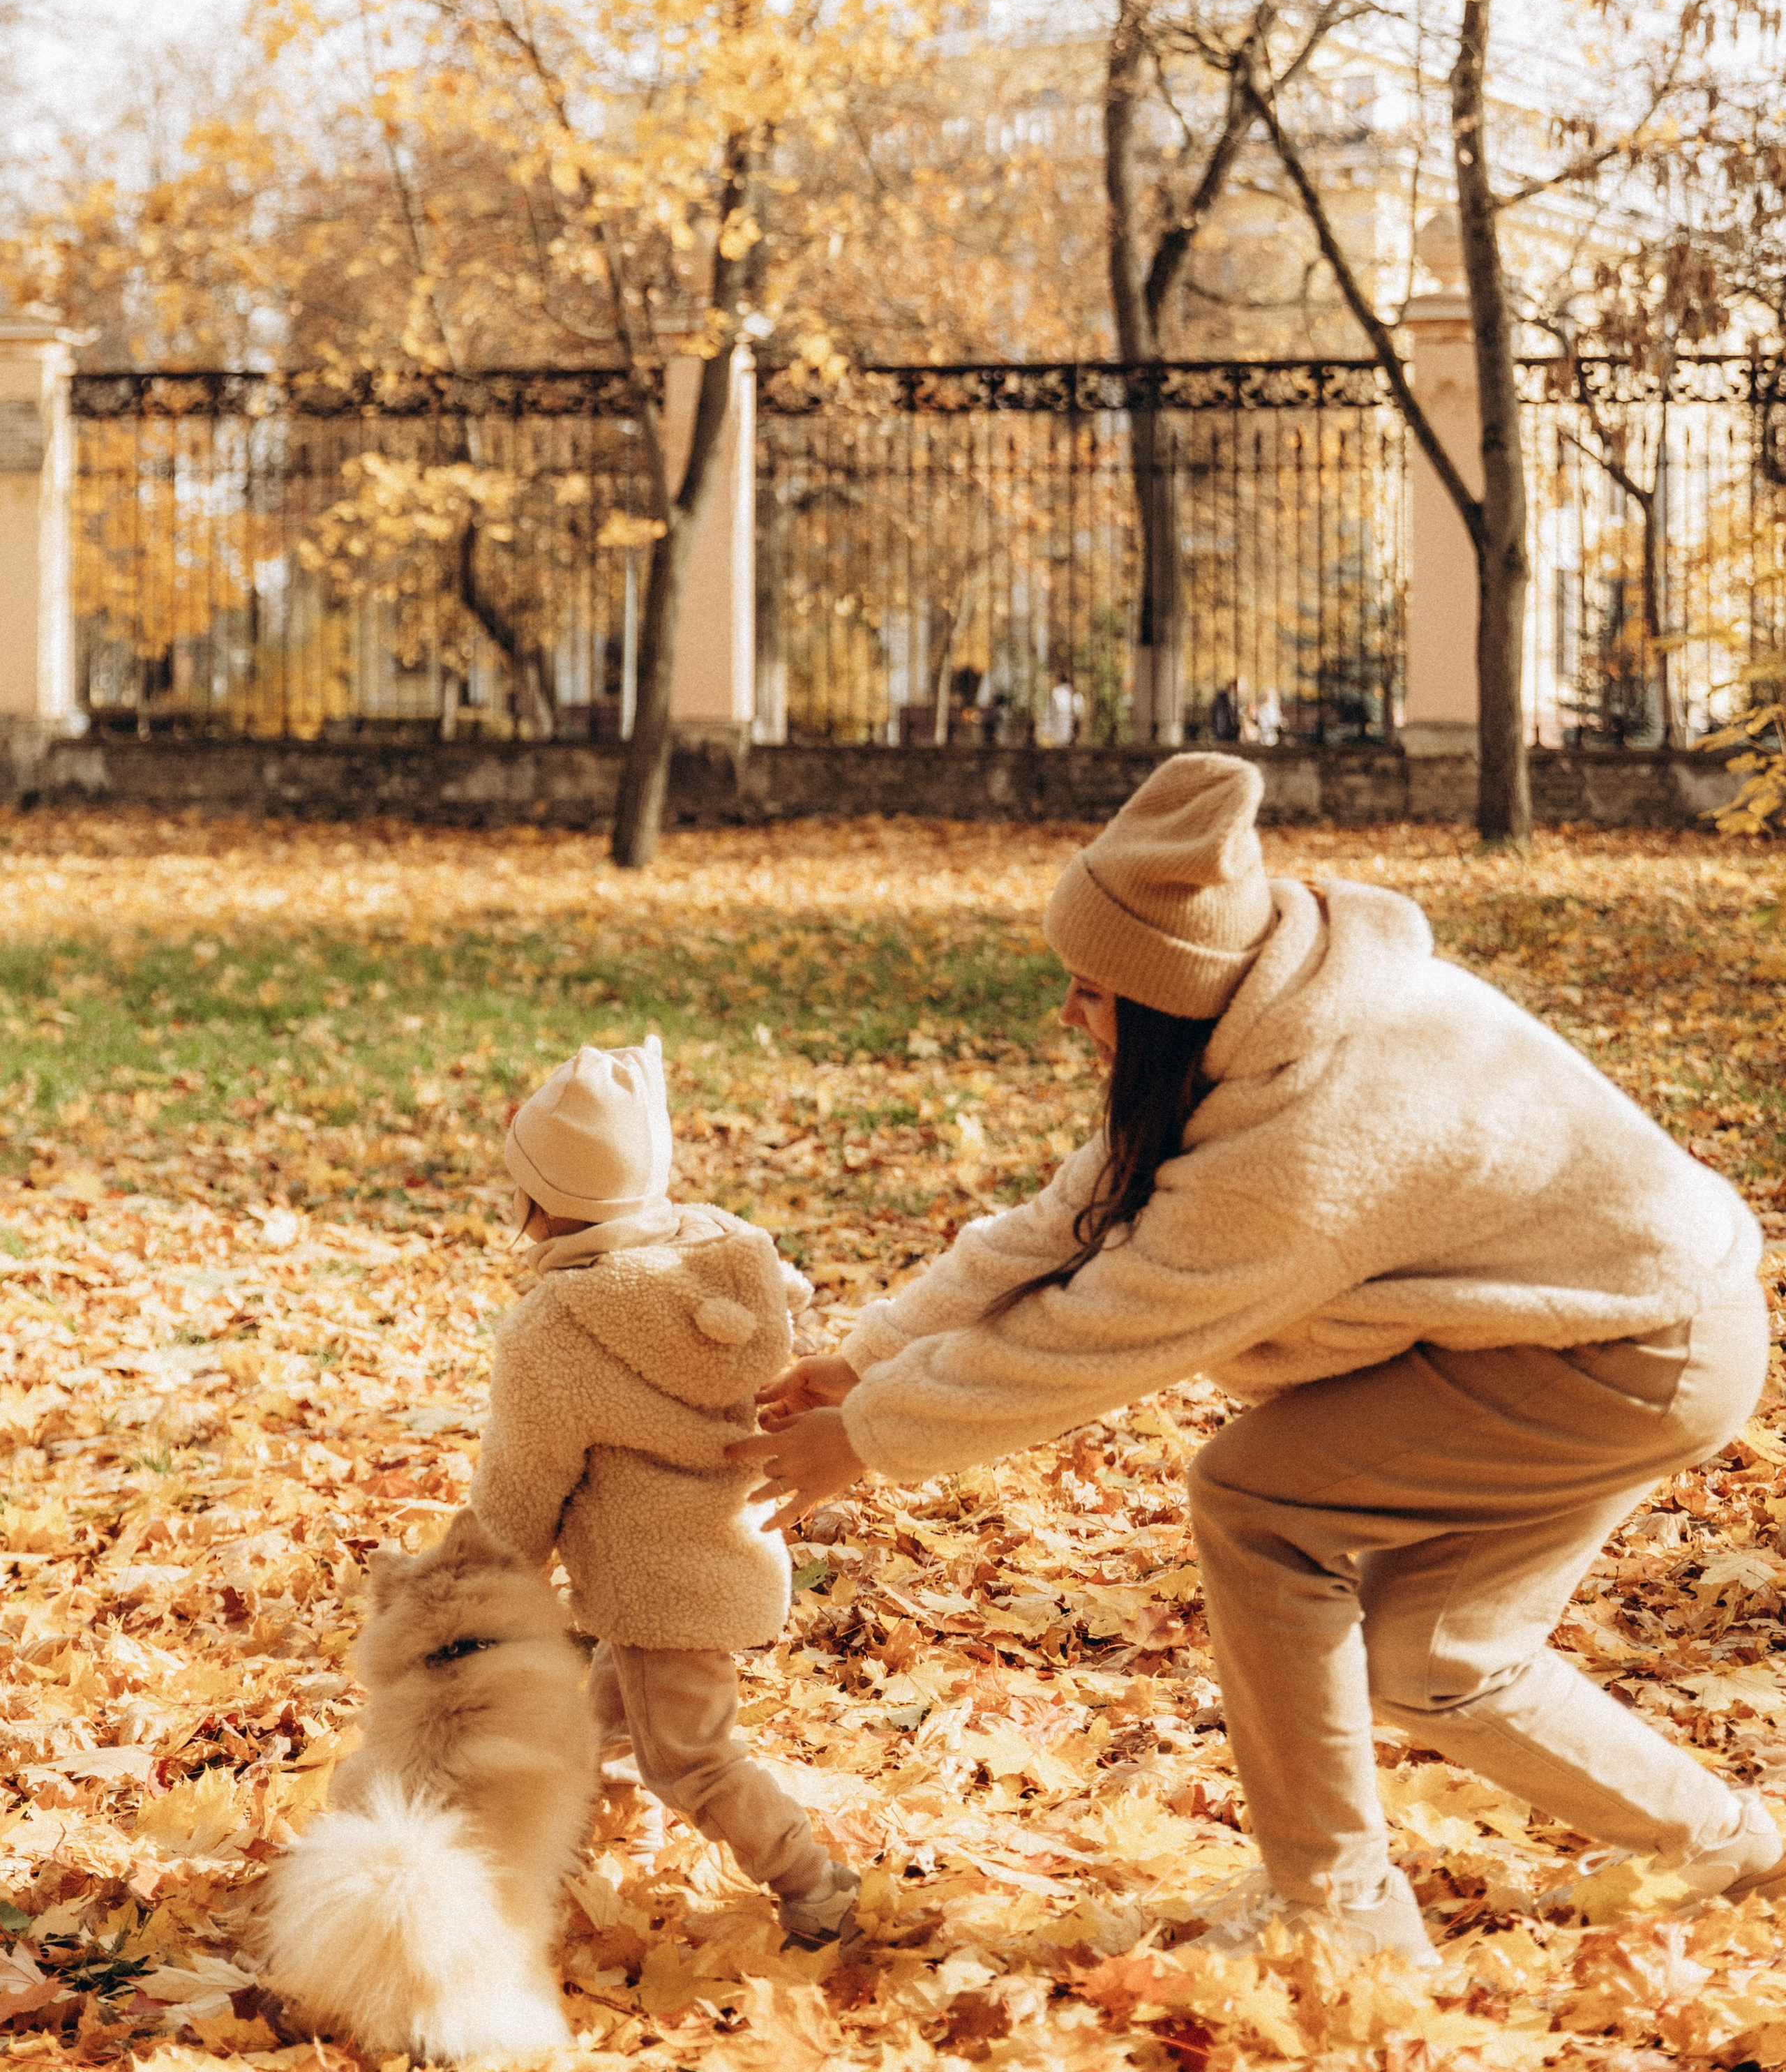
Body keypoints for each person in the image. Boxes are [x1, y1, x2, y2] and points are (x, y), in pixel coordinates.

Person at [729, 756, 1779, 1967]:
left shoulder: (1311, 1145)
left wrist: (863, 1442)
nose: (1066, 1014)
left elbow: (1098, 1335)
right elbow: (1079, 1212)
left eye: (1089, 990)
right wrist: (868, 1360)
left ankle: (1338, 1916)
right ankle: (1729, 1848)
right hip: (1630, 1319)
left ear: (1169, 1003)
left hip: (1631, 1354)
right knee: (1439, 1659)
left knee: (1261, 1503)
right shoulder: (1274, 1012)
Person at [472, 1039, 859, 1948]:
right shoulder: (719, 1251)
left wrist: (493, 1579)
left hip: (664, 1587)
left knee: (688, 1755)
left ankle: (814, 1884)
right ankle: (560, 1845)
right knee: (605, 1715)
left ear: (536, 1201)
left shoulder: (556, 1329)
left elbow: (524, 1479)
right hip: (729, 1547)